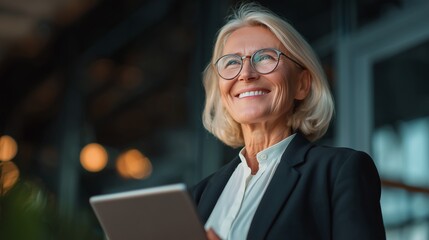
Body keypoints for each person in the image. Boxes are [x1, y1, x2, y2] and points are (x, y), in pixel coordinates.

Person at [191, 2, 385, 240]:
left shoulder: (339, 172)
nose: (246, 74)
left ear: (301, 84)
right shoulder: (198, 196)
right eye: (231, 62)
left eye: (264, 57)